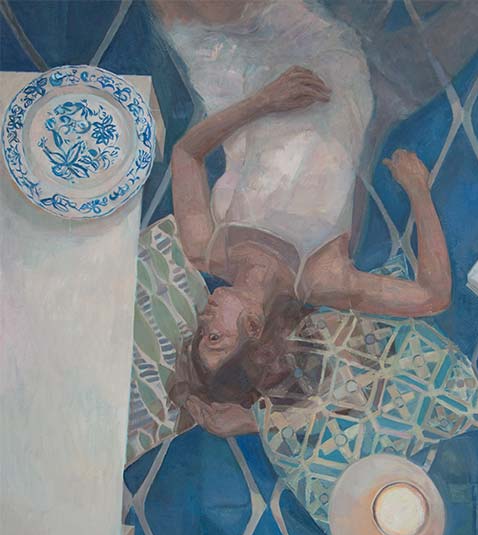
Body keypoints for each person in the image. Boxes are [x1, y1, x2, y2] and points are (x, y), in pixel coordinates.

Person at [153, 0, 452, 435]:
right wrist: (419, 191)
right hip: (323, 83)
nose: (202, 319)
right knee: (210, 10)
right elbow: (432, 296)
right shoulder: (321, 277)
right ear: (254, 328)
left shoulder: (204, 249)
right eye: (213, 337)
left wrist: (261, 102)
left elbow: (186, 155)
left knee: (177, 16)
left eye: (197, 333)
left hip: (239, 94)